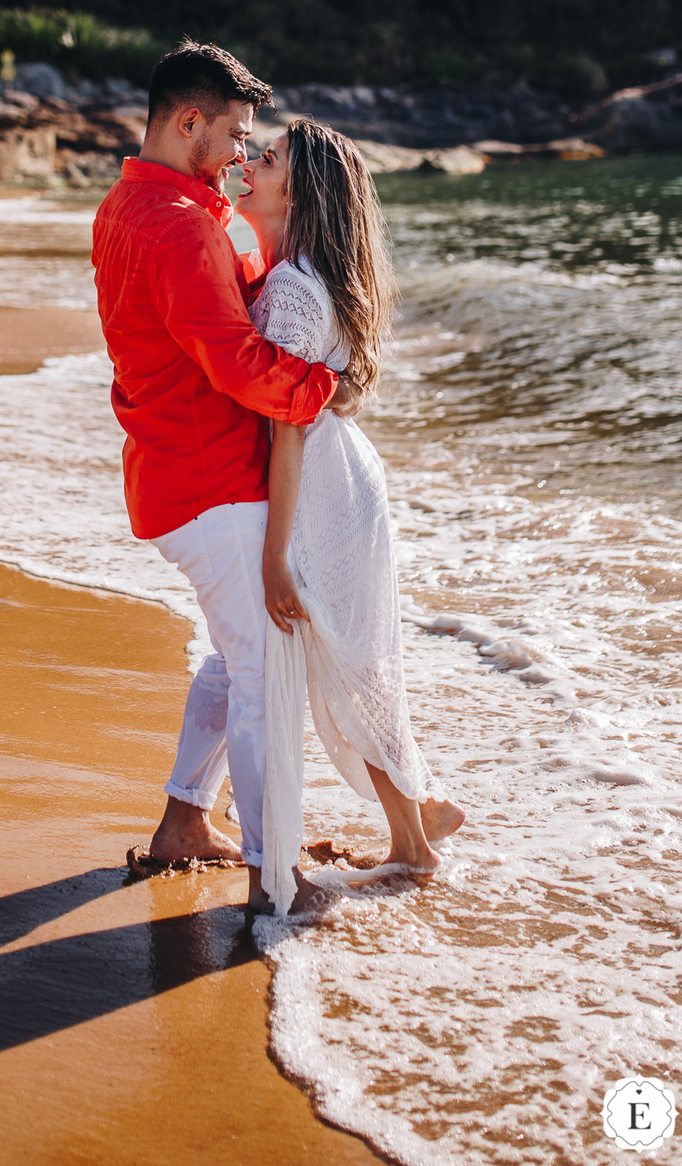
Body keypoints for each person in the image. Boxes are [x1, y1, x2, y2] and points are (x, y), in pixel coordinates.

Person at [91, 43, 361, 911]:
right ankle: (271, 875)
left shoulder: (129, 206)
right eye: (237, 135)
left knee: (231, 659)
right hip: (212, 487)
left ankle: (183, 825)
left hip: (176, 475)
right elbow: (240, 363)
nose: (245, 154)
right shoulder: (179, 223)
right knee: (261, 680)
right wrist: (326, 383)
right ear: (189, 121)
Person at [238, 118, 465, 916]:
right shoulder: (297, 277)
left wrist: (273, 554)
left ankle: (414, 839)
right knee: (355, 666)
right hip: (345, 479)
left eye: (266, 159)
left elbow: (286, 427)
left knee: (344, 664)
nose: (249, 164)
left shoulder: (294, 291)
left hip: (324, 491)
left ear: (297, 191)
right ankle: (417, 823)